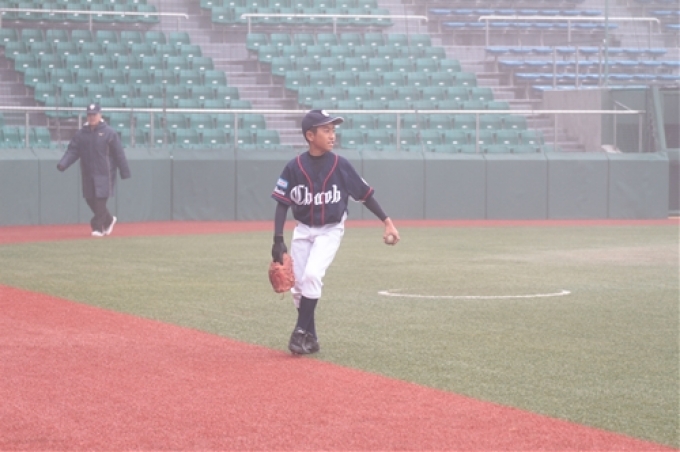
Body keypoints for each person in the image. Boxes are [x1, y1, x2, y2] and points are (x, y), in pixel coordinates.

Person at [271, 109, 399, 355]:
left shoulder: (341, 165)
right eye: (326, 130)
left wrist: (387, 221)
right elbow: (282, 204)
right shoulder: (294, 167)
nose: (332, 135)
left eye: (333, 130)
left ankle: (300, 331)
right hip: (303, 230)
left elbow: (366, 196)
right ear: (310, 136)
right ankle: (311, 338)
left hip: (330, 230)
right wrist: (278, 239)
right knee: (298, 288)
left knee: (312, 276)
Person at [57, 103, 130, 237]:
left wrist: (124, 171)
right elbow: (73, 151)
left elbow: (119, 153)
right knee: (90, 200)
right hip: (88, 173)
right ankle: (109, 220)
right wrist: (63, 163)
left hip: (105, 174)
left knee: (100, 201)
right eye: (89, 115)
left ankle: (97, 228)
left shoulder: (109, 133)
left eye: (94, 115)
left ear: (100, 115)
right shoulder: (81, 134)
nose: (92, 117)